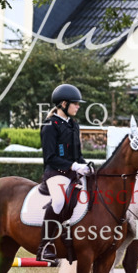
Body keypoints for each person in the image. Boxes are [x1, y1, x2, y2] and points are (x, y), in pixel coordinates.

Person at [37, 83, 92, 262]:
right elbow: (50, 157)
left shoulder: (74, 125)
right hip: (55, 173)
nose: (78, 106)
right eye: (75, 103)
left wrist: (85, 166)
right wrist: (74, 166)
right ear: (63, 104)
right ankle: (45, 245)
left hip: (71, 173)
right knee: (59, 201)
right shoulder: (50, 125)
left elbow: (78, 155)